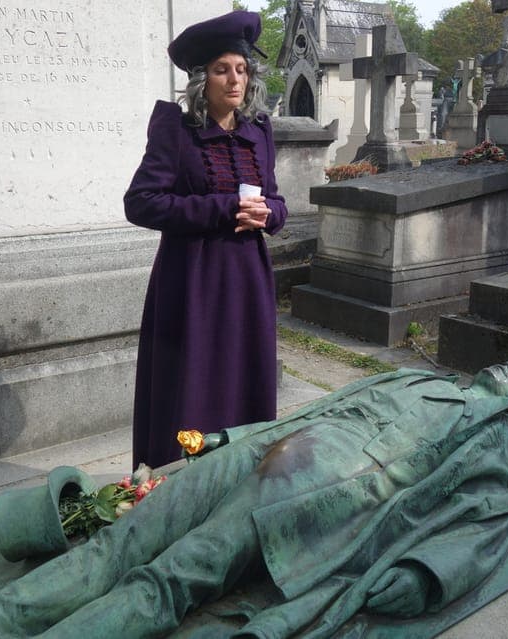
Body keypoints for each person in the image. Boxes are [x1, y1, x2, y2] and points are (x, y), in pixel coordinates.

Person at [0, 363, 508, 638]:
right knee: (119, 541)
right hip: (264, 453)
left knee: (166, 582)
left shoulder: (506, 437)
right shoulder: (416, 376)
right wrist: (228, 436)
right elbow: (318, 408)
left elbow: (489, 518)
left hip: (321, 495)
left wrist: (430, 572)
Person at [123, 11, 288, 469]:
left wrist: (269, 213)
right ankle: (179, 479)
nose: (234, 80)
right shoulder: (177, 130)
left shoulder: (259, 131)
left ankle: (237, 473)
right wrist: (221, 208)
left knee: (243, 375)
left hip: (247, 279)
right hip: (191, 279)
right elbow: (141, 202)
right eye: (222, 70)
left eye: (241, 68)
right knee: (192, 383)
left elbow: (276, 201)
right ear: (202, 78)